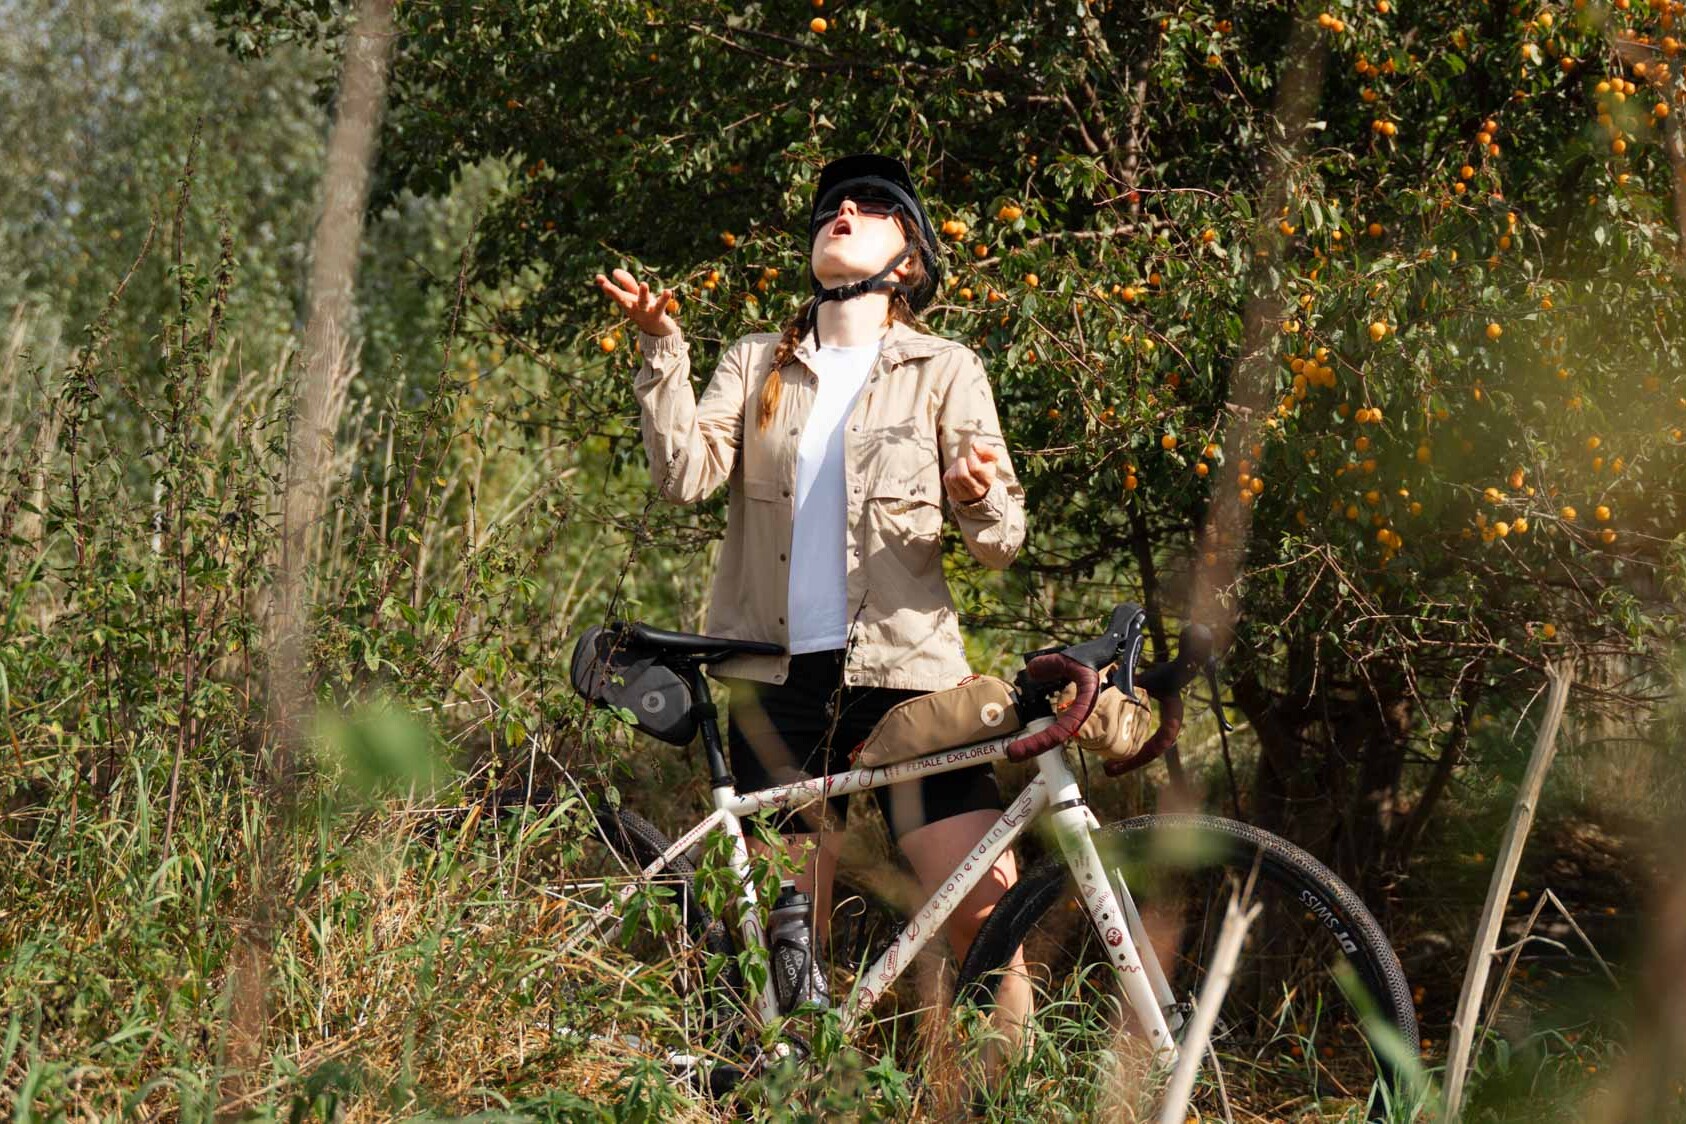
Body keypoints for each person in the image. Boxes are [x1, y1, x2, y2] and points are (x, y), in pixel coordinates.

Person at [593, 153, 1032, 1037]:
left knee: (986, 919)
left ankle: (1007, 1096)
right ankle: (791, 1091)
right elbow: (685, 474)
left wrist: (975, 489)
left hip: (909, 678)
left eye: (872, 207)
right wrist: (659, 349)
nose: (845, 210)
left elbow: (1001, 541)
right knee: (790, 938)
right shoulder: (756, 360)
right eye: (833, 203)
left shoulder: (946, 368)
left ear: (907, 258)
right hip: (779, 681)